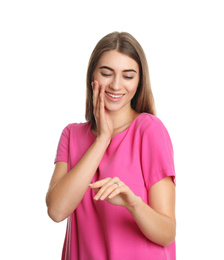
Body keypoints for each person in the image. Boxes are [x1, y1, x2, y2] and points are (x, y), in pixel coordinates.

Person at [46, 32, 176, 260]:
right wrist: (103, 138)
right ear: (92, 76)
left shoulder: (149, 130)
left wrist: (134, 204)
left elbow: (167, 233)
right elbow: (57, 211)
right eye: (106, 73)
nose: (116, 85)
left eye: (128, 76)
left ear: (139, 81)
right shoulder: (72, 135)